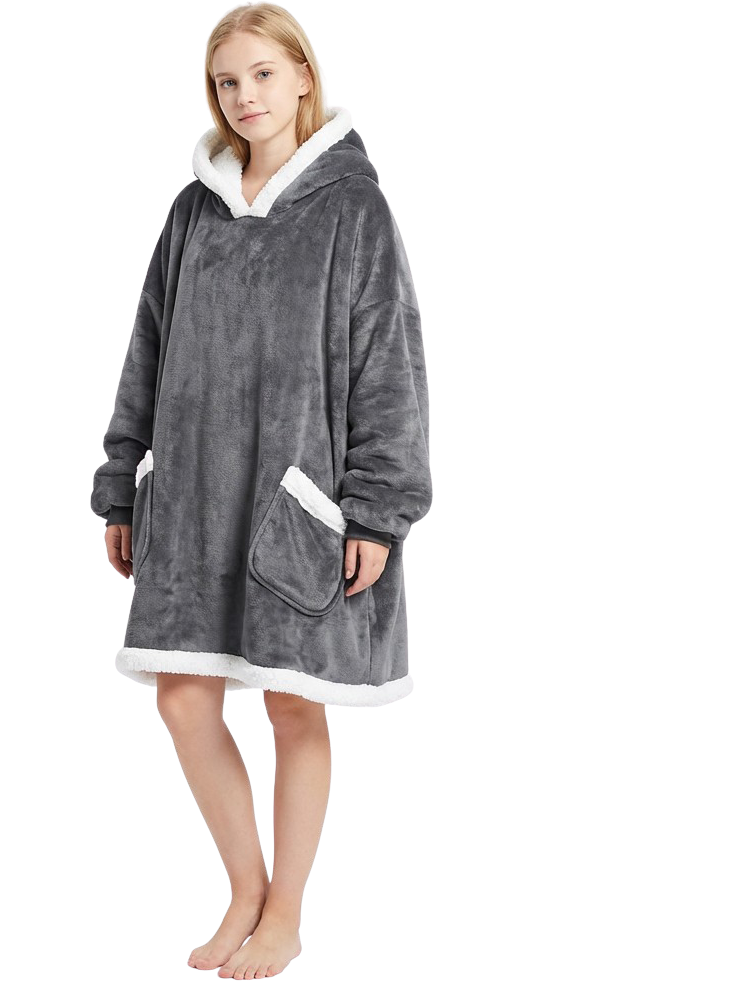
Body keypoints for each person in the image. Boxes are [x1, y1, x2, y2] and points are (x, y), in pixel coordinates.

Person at [90, 4, 432, 976]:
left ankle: (287, 912)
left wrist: (376, 510)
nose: (244, 97)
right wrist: (124, 482)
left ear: (303, 76)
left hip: (298, 492)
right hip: (192, 494)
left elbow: (389, 364)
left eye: (262, 75)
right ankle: (245, 886)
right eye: (227, 82)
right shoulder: (192, 210)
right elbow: (148, 345)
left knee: (292, 702)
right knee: (183, 699)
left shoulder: (352, 209)